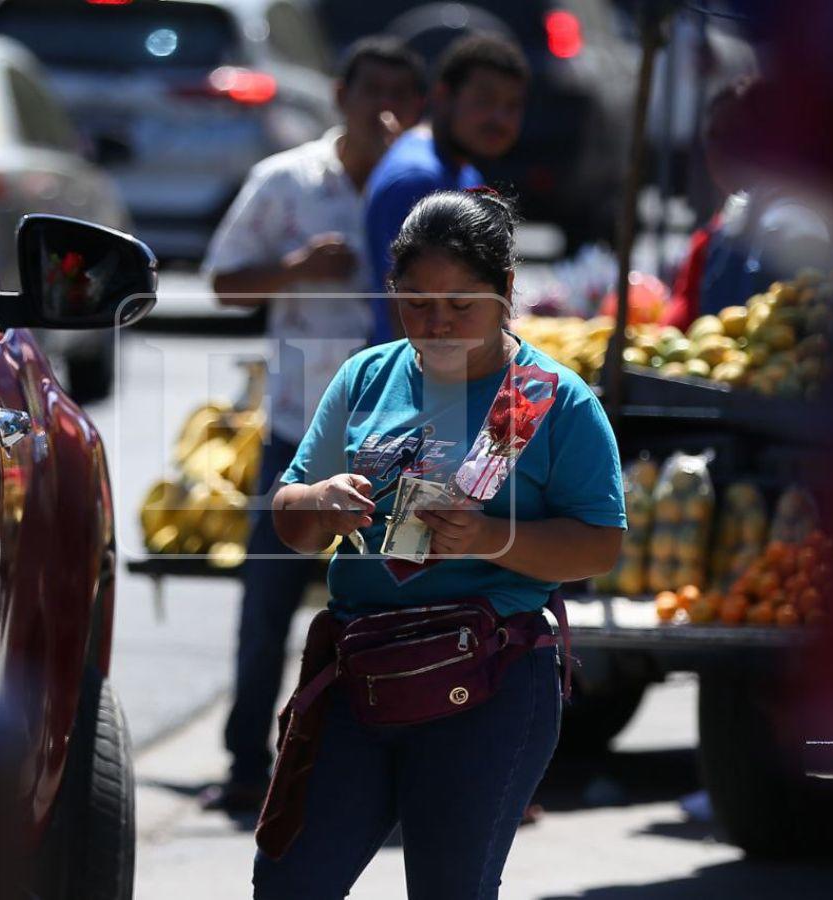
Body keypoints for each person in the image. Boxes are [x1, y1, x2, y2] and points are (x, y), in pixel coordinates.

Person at [254, 189, 626, 898]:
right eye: (417, 303)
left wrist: (491, 538)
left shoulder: (552, 399)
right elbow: (288, 514)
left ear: (508, 291)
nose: (438, 324)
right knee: (288, 883)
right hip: (361, 670)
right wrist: (320, 502)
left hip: (490, 684)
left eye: (462, 306)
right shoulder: (367, 376)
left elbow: (599, 547)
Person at [198, 37, 428, 813]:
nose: (386, 105)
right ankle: (243, 765)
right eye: (373, 89)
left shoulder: (425, 193)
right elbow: (224, 284)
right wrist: (295, 269)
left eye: (403, 90)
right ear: (341, 96)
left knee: (398, 605)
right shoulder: (287, 180)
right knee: (267, 605)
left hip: (399, 441)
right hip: (301, 431)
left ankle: (389, 764)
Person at [365, 32, 530, 344]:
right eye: (485, 101)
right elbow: (405, 309)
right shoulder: (416, 179)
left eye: (512, 106)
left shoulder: (464, 171)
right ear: (442, 96)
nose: (500, 119)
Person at [662, 75, 833, 330]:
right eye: (713, 135)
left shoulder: (794, 227)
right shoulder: (720, 233)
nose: (721, 149)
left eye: (737, 135)